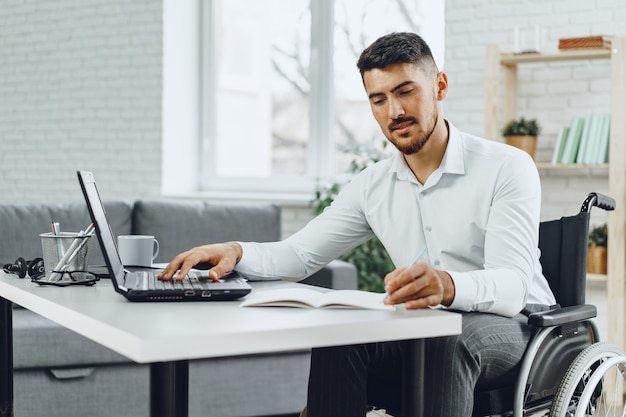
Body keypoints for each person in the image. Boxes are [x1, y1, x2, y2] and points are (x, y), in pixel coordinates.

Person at [159, 32, 556, 416]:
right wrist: (236, 251)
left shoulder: (506, 166)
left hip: (521, 325)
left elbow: (513, 285)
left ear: (440, 86)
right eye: (378, 99)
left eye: (405, 91)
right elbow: (298, 255)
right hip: (429, 327)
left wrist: (448, 284)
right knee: (341, 337)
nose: (394, 112)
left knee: (447, 340)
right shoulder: (372, 185)